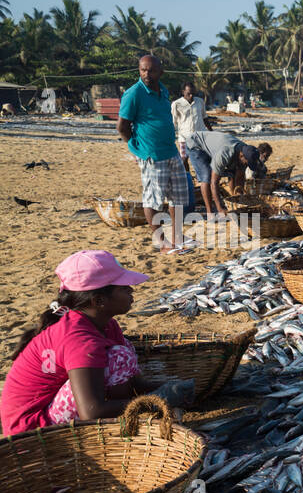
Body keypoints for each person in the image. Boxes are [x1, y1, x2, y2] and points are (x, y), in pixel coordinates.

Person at [1, 251, 193, 436]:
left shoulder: (107, 325)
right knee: (118, 356)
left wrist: (166, 388)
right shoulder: (79, 338)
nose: (131, 290)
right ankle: (123, 427)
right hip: (32, 430)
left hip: (52, 410)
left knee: (122, 351)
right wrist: (156, 401)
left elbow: (132, 383)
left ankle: (126, 421)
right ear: (99, 300)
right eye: (123, 288)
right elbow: (91, 411)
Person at [116, 54, 190, 254]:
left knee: (179, 197)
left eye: (151, 70)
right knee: (153, 200)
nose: (146, 74)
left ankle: (177, 237)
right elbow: (122, 127)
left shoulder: (163, 91)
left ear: (160, 72)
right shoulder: (134, 93)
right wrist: (136, 148)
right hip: (151, 154)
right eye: (143, 70)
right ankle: (161, 242)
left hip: (170, 150)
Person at [184, 130, 268, 219]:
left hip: (213, 147)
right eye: (247, 163)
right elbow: (214, 183)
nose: (246, 165)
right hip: (196, 144)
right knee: (207, 176)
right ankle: (210, 212)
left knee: (232, 172)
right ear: (241, 156)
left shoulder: (246, 151)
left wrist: (238, 199)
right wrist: (220, 208)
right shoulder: (225, 153)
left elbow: (239, 176)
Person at [170, 82, 206, 165]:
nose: (191, 96)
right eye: (188, 94)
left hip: (200, 136)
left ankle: (200, 176)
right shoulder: (176, 104)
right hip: (184, 137)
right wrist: (171, 135)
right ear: (183, 92)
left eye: (193, 94)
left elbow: (204, 117)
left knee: (201, 158)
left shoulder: (200, 101)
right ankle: (187, 176)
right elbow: (173, 121)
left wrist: (211, 131)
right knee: (184, 158)